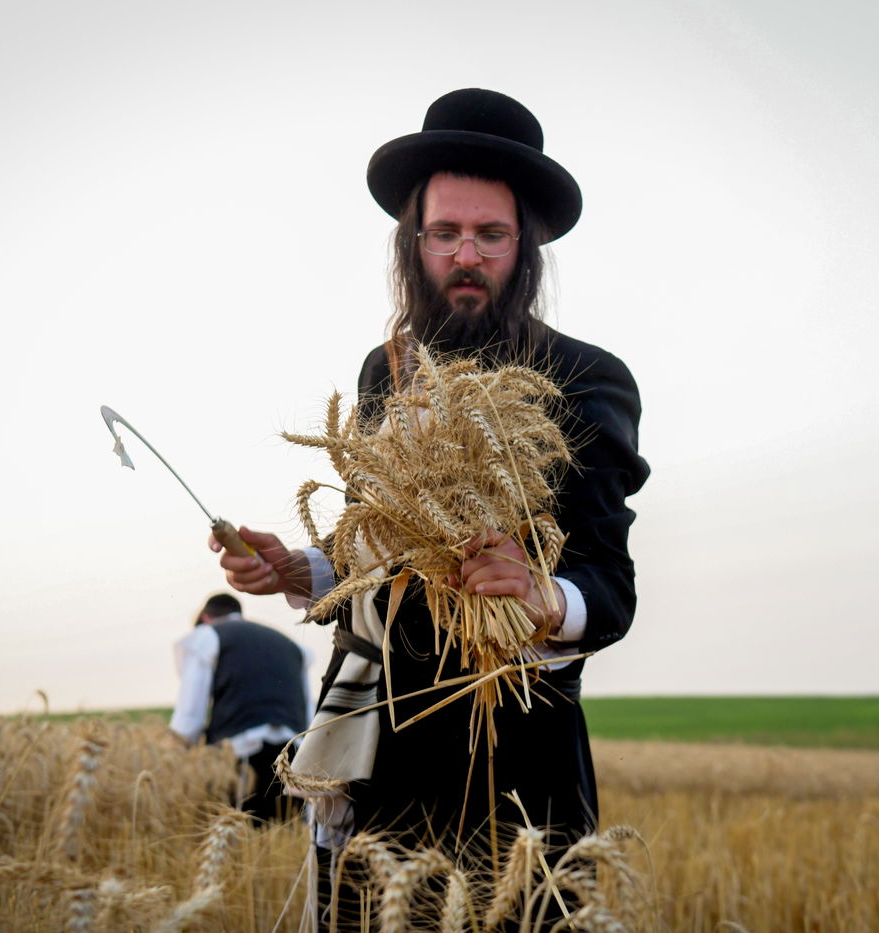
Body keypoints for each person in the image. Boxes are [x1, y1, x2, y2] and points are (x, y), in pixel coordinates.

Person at [210, 88, 649, 921]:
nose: (466, 256)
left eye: (490, 234)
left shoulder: (591, 379)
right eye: (444, 233)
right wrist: (302, 565)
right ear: (414, 243)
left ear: (526, 248)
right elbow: (383, 541)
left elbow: (611, 585)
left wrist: (538, 592)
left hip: (511, 763)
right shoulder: (387, 372)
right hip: (376, 748)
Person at [169, 592, 311, 822]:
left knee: (239, 840)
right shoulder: (289, 644)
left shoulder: (207, 635)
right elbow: (308, 708)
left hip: (238, 759)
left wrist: (177, 759)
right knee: (283, 840)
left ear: (205, 619)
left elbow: (189, 716)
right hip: (292, 759)